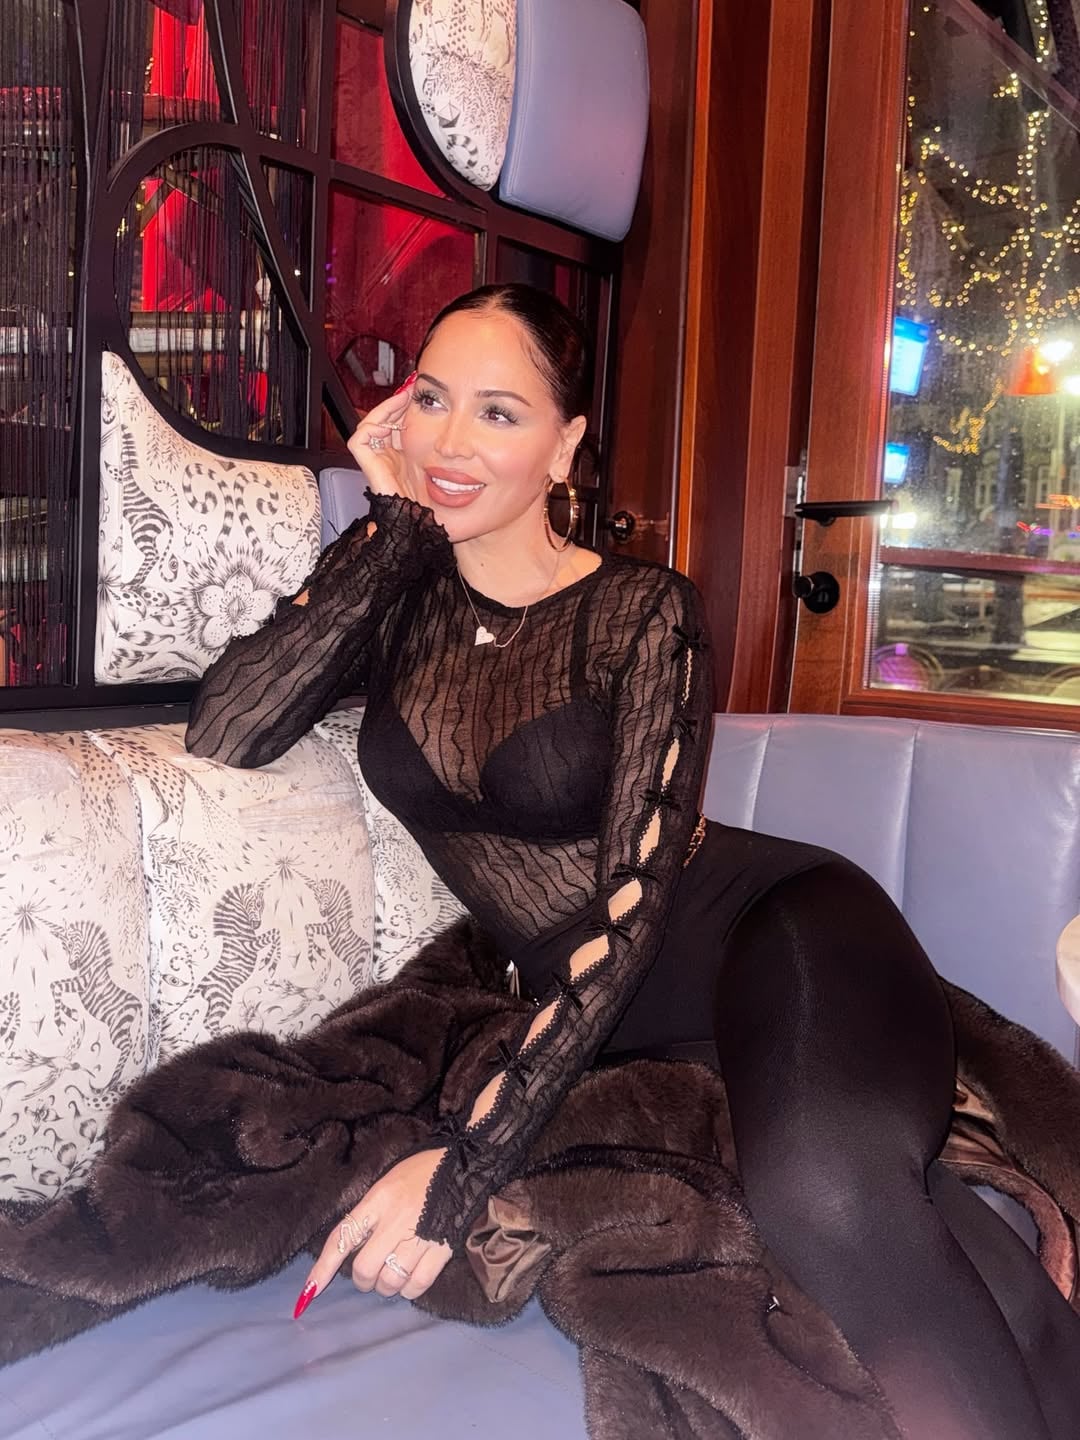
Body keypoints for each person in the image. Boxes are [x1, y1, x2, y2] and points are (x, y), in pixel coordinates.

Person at [186, 283, 1080, 1440]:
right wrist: (392, 521)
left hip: (779, 937)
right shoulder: (394, 591)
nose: (450, 442)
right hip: (634, 1023)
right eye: (432, 400)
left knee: (823, 1198)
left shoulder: (643, 611)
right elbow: (229, 725)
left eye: (499, 413)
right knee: (915, 1230)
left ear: (564, 448)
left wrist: (463, 1168)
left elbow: (631, 908)